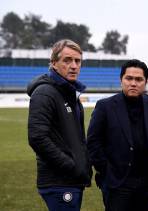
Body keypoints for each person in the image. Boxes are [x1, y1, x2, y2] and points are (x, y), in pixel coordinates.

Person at [87, 59, 148, 211]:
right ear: (121, 80)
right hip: (117, 184)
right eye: (129, 78)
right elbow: (93, 142)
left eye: (139, 79)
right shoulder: (105, 106)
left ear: (145, 82)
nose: (133, 83)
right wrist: (106, 171)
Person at [27, 39, 92, 211]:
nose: (73, 65)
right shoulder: (45, 93)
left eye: (77, 61)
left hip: (71, 180)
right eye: (67, 60)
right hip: (59, 181)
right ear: (54, 63)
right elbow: (37, 138)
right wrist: (71, 165)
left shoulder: (69, 93)